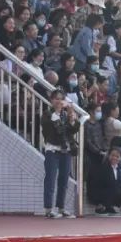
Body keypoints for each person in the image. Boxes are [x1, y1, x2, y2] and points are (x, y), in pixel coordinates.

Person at [40, 90, 79, 219]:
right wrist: (58, 112)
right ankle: (48, 209)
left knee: (63, 180)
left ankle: (61, 207)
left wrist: (72, 118)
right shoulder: (47, 114)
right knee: (50, 179)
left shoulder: (65, 115)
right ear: (51, 100)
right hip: (52, 150)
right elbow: (56, 129)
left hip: (65, 151)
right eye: (56, 98)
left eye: (61, 99)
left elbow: (73, 129)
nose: (58, 101)